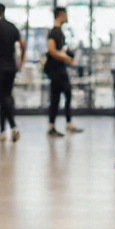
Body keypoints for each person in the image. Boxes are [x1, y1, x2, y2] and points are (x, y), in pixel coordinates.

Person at [0, 3, 24, 142]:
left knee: (3, 98)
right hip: (11, 66)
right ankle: (2, 130)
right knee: (6, 97)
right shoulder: (12, 27)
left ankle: (13, 127)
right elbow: (22, 44)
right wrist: (21, 62)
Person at [45, 7, 82, 137]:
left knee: (63, 94)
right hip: (56, 70)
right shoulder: (54, 32)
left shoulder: (59, 32)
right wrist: (67, 59)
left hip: (59, 68)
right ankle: (56, 125)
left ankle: (63, 123)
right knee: (60, 95)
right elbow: (52, 50)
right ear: (60, 15)